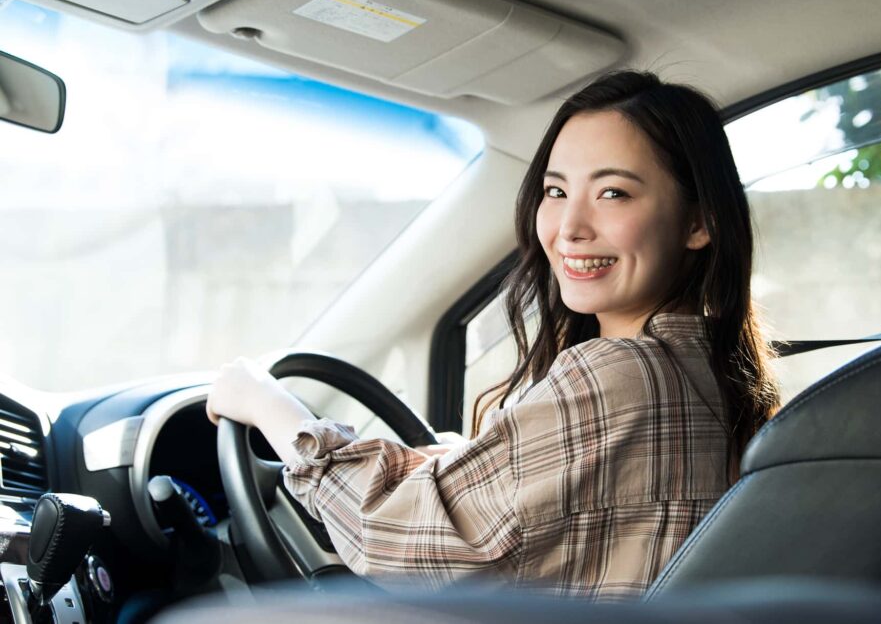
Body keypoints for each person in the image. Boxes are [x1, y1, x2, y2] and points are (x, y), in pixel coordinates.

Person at [205, 70, 780, 600]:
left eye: (613, 193)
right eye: (556, 192)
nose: (570, 228)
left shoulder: (620, 375)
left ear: (699, 221)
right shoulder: (712, 369)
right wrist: (468, 460)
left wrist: (267, 403)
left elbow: (392, 538)